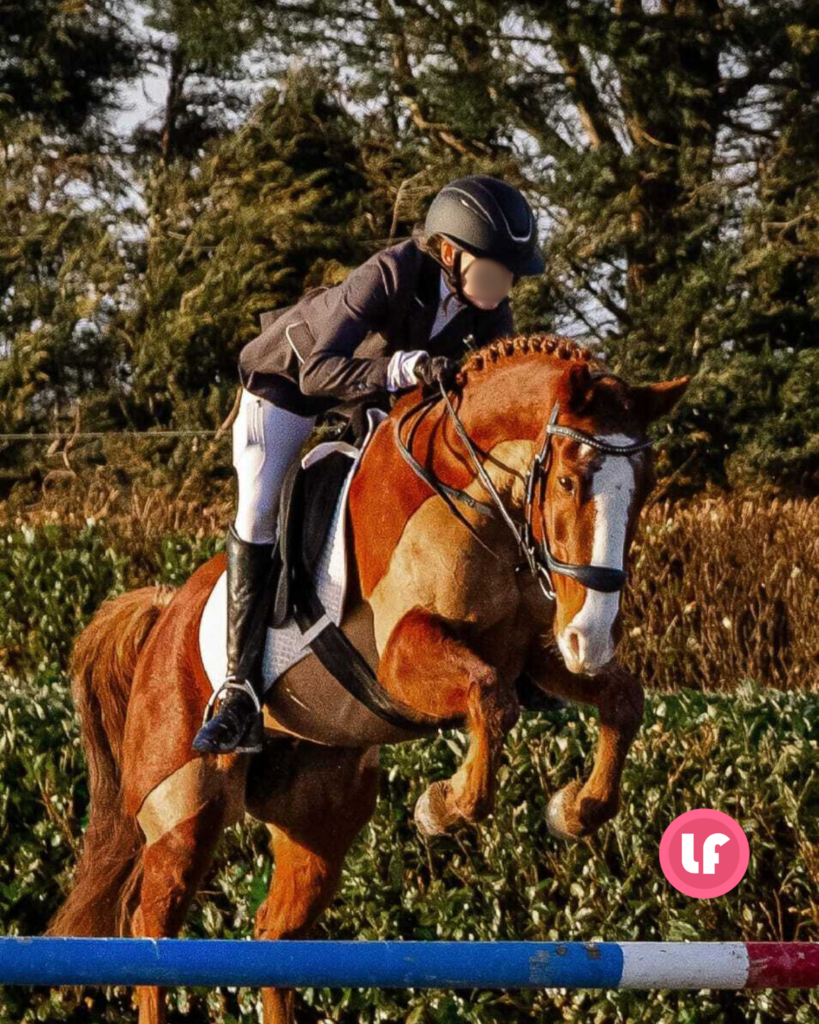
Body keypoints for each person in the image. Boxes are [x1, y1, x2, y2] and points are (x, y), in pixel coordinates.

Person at [191, 174, 546, 756]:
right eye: (494, 269)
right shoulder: (390, 273)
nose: (504, 284)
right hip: (287, 389)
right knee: (257, 508)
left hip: (368, 404)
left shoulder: (491, 314)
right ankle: (237, 693)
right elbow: (318, 374)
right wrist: (401, 369)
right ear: (451, 254)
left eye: (510, 273)